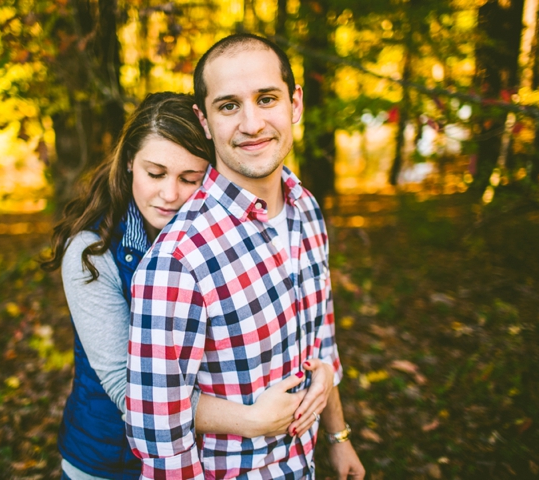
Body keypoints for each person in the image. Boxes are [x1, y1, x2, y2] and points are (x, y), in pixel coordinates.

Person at [42, 92, 333, 480]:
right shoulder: (91, 254)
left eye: (189, 179)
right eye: (155, 173)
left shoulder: (223, 238)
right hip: (110, 461)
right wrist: (249, 419)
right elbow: (130, 391)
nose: (170, 194)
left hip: (206, 460)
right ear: (130, 161)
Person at [126, 35, 365, 479]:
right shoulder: (180, 258)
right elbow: (160, 434)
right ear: (204, 120)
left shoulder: (306, 208)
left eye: (267, 98)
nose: (252, 123)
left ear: (294, 103)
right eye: (229, 106)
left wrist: (338, 437)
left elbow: (322, 343)